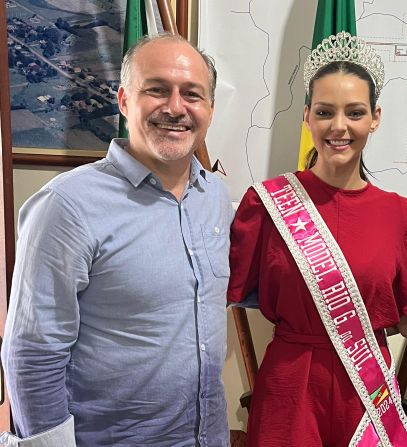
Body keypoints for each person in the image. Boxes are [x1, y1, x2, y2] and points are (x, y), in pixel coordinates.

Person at [1, 34, 233, 446]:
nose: (175, 107)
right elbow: (33, 354)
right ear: (125, 101)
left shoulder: (214, 197)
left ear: (210, 109)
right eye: (157, 89)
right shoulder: (67, 205)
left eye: (192, 94)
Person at [228, 31, 407, 446]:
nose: (339, 126)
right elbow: (231, 291)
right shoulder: (265, 204)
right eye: (324, 112)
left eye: (355, 112)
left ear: (375, 117)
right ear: (307, 116)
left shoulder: (400, 216)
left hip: (367, 390)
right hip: (290, 388)